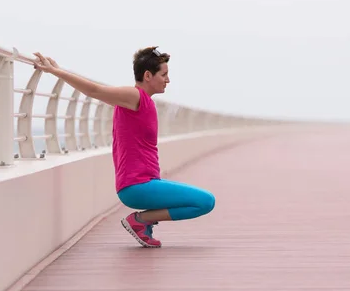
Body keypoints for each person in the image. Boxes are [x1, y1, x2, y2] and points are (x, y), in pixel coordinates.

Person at [32, 47, 215, 248]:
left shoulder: (145, 102)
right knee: (205, 201)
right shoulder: (134, 96)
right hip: (137, 186)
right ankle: (140, 221)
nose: (168, 80)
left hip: (146, 183)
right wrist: (56, 71)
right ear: (147, 75)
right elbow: (95, 91)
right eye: (164, 75)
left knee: (202, 201)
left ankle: (142, 222)